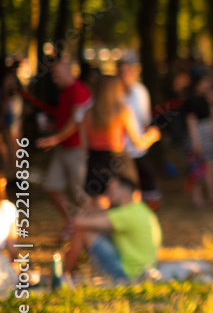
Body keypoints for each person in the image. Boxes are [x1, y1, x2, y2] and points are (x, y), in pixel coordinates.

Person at [63, 170, 162, 283]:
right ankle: (68, 274)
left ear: (125, 191)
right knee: (90, 230)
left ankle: (64, 276)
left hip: (129, 274)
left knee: (83, 232)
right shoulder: (139, 209)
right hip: (143, 269)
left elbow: (78, 223)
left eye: (111, 190)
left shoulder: (126, 214)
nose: (108, 195)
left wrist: (91, 206)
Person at [77, 75, 161, 206]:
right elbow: (138, 143)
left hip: (96, 161)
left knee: (99, 203)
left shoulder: (88, 113)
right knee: (130, 200)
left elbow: (84, 147)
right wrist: (153, 135)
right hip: (118, 159)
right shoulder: (123, 111)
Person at [32, 57, 92, 239]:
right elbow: (67, 119)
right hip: (63, 148)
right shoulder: (65, 92)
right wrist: (54, 128)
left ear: (69, 71)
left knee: (81, 195)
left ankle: (86, 232)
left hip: (77, 149)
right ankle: (72, 223)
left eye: (57, 74)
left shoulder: (79, 91)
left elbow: (76, 121)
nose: (54, 79)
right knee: (52, 186)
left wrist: (55, 138)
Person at [117, 56, 160, 209]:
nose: (125, 75)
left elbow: (144, 121)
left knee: (145, 185)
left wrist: (147, 137)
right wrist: (151, 136)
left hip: (138, 150)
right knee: (129, 189)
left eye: (128, 71)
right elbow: (138, 138)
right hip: (122, 151)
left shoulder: (140, 92)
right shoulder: (116, 98)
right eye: (122, 72)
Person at [182, 68, 213, 207]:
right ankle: (197, 198)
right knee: (197, 169)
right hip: (197, 137)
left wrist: (212, 102)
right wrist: (195, 143)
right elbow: (191, 121)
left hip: (207, 135)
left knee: (210, 166)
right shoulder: (191, 100)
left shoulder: (206, 99)